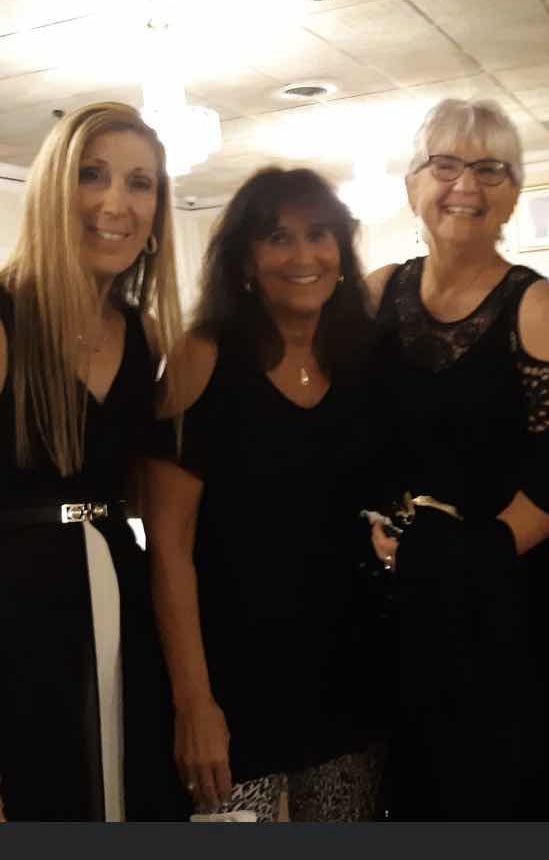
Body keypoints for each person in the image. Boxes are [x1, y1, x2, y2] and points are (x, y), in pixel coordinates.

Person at [367, 98, 549, 821]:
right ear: (412, 184)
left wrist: (463, 563)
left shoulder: (538, 306)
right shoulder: (377, 292)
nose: (465, 185)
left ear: (513, 194)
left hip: (504, 604)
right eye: (445, 165)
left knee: (506, 789)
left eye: (490, 169)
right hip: (398, 598)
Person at [144, 167, 391, 822]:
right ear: (245, 262)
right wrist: (193, 703)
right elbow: (168, 545)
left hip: (349, 677)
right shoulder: (202, 357)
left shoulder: (364, 361)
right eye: (278, 237)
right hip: (233, 687)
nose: (303, 255)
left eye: (319, 234)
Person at [0, 101, 188, 821]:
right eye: (92, 175)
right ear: (54, 190)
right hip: (20, 618)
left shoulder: (145, 337)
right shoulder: (5, 317)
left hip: (123, 599)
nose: (117, 203)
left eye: (141, 183)